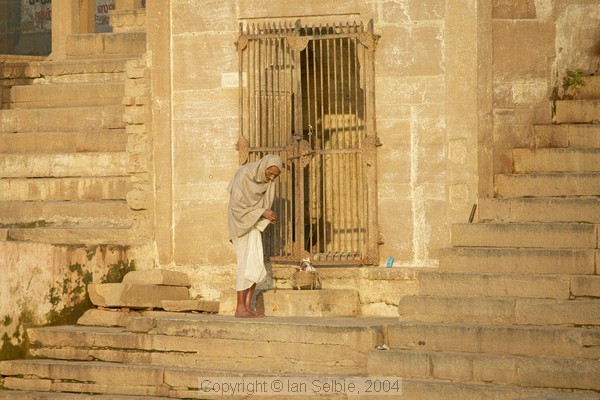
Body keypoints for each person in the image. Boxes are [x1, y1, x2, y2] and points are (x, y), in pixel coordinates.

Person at [227, 154, 283, 318]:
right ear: (263, 167)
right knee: (243, 262)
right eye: (269, 173)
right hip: (240, 223)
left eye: (275, 175)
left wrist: (266, 216)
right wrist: (261, 212)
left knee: (255, 262)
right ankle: (239, 307)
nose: (271, 177)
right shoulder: (244, 173)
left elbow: (264, 204)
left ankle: (248, 306)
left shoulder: (269, 182)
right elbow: (236, 205)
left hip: (253, 223)